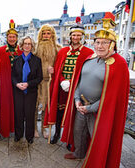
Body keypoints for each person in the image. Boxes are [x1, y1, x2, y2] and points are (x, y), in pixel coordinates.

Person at [61, 12, 129, 168]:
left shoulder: (118, 64)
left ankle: (97, 162)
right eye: (97, 42)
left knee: (98, 138)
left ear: (113, 44)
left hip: (100, 111)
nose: (99, 46)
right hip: (81, 105)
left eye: (105, 43)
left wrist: (90, 108)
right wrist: (77, 100)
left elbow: (113, 97)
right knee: (79, 132)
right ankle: (79, 153)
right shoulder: (90, 58)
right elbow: (79, 81)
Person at [43, 17, 94, 144]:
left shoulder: (88, 52)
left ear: (82, 36)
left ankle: (71, 139)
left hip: (77, 89)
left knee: (73, 115)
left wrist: (73, 83)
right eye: (74, 35)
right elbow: (58, 69)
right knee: (59, 112)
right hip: (62, 88)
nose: (76, 38)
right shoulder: (63, 51)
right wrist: (62, 80)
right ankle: (57, 134)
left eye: (78, 35)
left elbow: (88, 73)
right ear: (70, 36)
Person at [12, 36, 43, 144]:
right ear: (21, 45)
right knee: (18, 114)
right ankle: (18, 135)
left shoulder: (37, 60)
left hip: (31, 91)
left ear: (32, 46)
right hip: (18, 92)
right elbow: (13, 76)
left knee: (30, 114)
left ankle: (29, 136)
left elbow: (39, 78)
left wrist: (28, 84)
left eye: (29, 44)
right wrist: (17, 84)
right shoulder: (16, 60)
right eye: (25, 43)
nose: (27, 45)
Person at [34, 24, 62, 138]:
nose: (46, 36)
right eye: (44, 33)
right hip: (36, 81)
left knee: (46, 106)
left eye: (48, 33)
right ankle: (34, 128)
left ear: (52, 35)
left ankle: (44, 128)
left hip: (49, 82)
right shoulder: (35, 47)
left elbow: (60, 65)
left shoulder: (57, 48)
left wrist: (54, 70)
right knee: (35, 106)